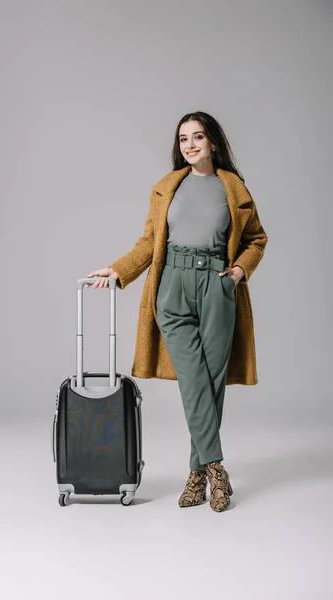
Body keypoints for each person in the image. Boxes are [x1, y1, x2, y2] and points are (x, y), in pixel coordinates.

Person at [86, 111, 268, 512]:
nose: (189, 145)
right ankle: (216, 469)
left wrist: (238, 271)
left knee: (211, 383)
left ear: (213, 143)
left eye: (198, 137)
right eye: (183, 138)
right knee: (193, 380)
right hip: (173, 290)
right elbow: (149, 243)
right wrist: (119, 270)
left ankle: (197, 475)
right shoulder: (167, 188)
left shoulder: (233, 188)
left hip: (216, 288)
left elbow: (256, 239)